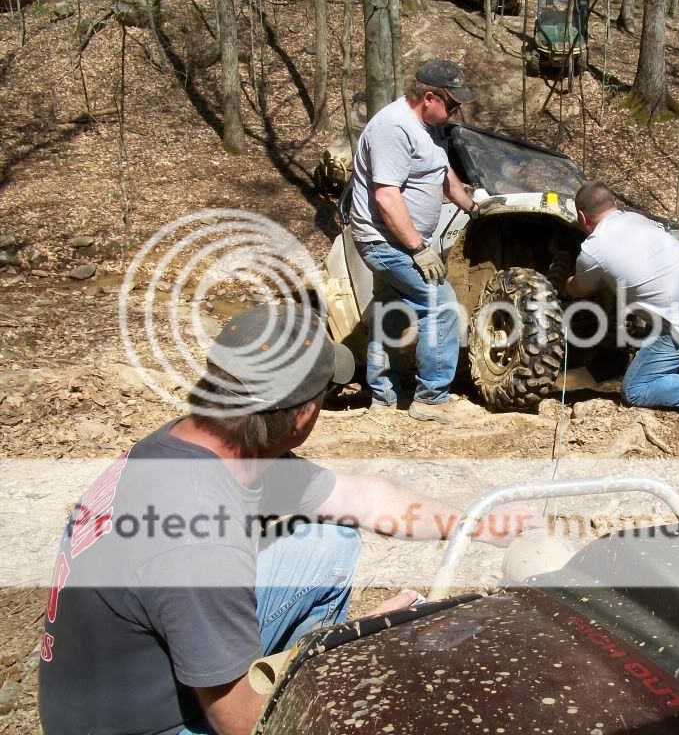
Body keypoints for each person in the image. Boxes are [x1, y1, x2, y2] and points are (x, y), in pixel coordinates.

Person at [38, 304, 534, 735]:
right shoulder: (199, 533)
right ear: (301, 417)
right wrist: (338, 650)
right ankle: (306, 682)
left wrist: (481, 527)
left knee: (329, 540)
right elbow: (244, 721)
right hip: (149, 726)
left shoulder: (202, 444)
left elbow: (363, 498)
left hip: (114, 682)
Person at [348, 59, 480, 424]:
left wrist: (473, 206)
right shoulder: (393, 128)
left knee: (389, 307)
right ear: (429, 97)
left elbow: (442, 173)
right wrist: (418, 250)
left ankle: (383, 397)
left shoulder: (430, 126)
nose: (456, 111)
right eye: (452, 105)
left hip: (403, 240)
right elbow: (387, 197)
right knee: (441, 304)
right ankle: (431, 398)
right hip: (385, 239)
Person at [565, 181, 679, 431]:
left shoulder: (592, 249)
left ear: (581, 216)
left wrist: (563, 283)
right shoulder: (635, 219)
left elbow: (580, 289)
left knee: (635, 389)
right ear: (613, 204)